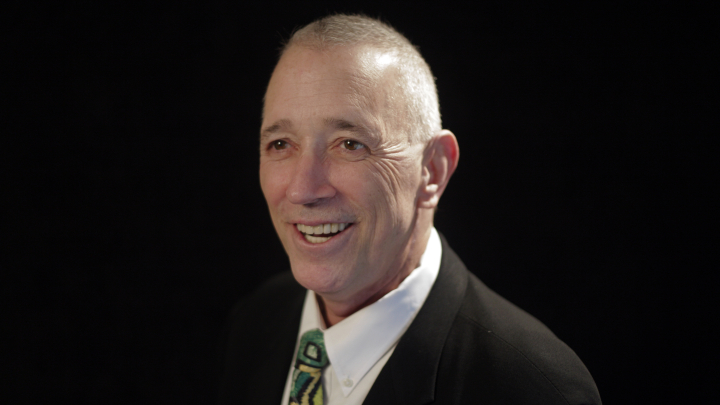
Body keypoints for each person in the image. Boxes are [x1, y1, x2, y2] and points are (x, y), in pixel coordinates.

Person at [219, 14, 601, 405]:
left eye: (350, 144)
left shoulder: (530, 388)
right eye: (281, 144)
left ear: (432, 169)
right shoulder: (256, 322)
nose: (302, 190)